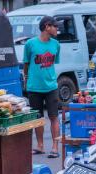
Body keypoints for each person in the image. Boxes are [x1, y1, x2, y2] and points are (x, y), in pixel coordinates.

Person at [23, 15, 60, 158]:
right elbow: (26, 64)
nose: (57, 29)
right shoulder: (30, 44)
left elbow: (53, 63)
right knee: (38, 117)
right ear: (47, 27)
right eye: (55, 26)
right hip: (34, 87)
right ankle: (40, 146)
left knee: (54, 116)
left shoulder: (56, 44)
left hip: (51, 86)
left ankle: (55, 147)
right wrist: (26, 80)